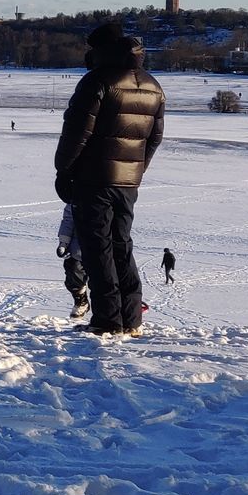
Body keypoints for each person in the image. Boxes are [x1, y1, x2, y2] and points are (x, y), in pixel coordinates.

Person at [54, 21, 165, 337]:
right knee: (121, 245)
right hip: (128, 182)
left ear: (100, 50)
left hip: (93, 179)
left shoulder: (97, 81)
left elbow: (76, 133)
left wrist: (63, 171)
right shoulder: (153, 85)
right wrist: (135, 170)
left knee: (97, 248)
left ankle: (107, 320)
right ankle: (131, 317)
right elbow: (154, 137)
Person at [57, 203, 90, 320]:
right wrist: (63, 243)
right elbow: (68, 220)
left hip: (102, 248)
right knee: (73, 275)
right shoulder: (75, 199)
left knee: (103, 282)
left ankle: (105, 312)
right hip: (77, 248)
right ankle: (81, 301)